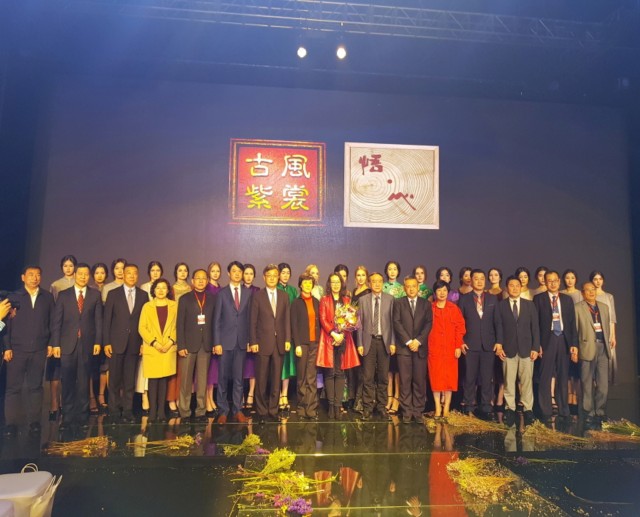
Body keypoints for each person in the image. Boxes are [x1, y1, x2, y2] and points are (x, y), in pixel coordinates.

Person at [3, 266, 55, 436]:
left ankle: (34, 422)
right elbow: (5, 325)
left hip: (39, 349)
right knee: (13, 388)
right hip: (16, 350)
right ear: (23, 277)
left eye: (38, 275)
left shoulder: (47, 297)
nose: (34, 278)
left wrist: (51, 343)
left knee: (35, 387)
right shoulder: (14, 297)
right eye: (31, 275)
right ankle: (11, 424)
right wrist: (7, 347)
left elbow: (52, 322)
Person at [51, 263, 102, 426]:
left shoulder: (95, 295)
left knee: (84, 379)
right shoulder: (64, 295)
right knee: (67, 380)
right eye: (80, 274)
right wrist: (56, 344)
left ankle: (83, 414)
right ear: (75, 275)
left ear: (89, 276)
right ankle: (67, 413)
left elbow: (98, 321)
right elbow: (57, 322)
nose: (83, 277)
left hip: (87, 343)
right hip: (67, 344)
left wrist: (98, 341)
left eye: (86, 274)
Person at [493, 276, 540, 427]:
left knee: (527, 381)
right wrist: (499, 345)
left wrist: (535, 347)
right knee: (509, 381)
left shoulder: (529, 305)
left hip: (527, 349)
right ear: (507, 288)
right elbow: (498, 326)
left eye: (517, 285)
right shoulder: (501, 306)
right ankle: (510, 409)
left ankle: (528, 409)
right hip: (508, 349)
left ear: (521, 287)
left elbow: (535, 328)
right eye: (511, 285)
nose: (514, 288)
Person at [102, 263, 147, 422]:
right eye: (129, 273)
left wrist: (143, 343)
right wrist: (106, 342)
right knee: (114, 380)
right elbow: (107, 320)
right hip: (116, 343)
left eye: (135, 273)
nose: (132, 276)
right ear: (123, 274)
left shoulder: (143, 295)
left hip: (134, 343)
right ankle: (114, 410)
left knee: (129, 380)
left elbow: (144, 321)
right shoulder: (113, 294)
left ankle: (128, 410)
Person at [533, 270, 578, 423]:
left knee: (563, 376)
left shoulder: (567, 299)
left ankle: (564, 409)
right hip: (547, 340)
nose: (552, 283)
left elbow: (572, 324)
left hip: (564, 339)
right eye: (549, 281)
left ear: (559, 281)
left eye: (555, 280)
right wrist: (537, 344)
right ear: (545, 282)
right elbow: (535, 325)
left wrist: (574, 344)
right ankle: (545, 410)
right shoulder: (538, 299)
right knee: (545, 377)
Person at [458, 269, 502, 418]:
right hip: (469, 344)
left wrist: (499, 342)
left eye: (482, 278)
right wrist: (460, 341)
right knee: (469, 376)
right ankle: (468, 404)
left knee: (487, 377)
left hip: (489, 344)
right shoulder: (464, 299)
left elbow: (498, 322)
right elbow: (459, 322)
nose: (479, 281)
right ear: (471, 280)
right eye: (476, 278)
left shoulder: (492, 299)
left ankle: (486, 405)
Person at [250, 264, 291, 423]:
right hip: (262, 343)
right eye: (269, 275)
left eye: (275, 275)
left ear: (278, 277)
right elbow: (253, 321)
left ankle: (273, 410)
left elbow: (286, 320)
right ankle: (261, 411)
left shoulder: (284, 296)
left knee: (276, 379)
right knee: (261, 379)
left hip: (279, 343)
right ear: (264, 277)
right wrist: (253, 341)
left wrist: (287, 339)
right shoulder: (257, 296)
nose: (272, 278)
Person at [213, 261, 252, 424]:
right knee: (222, 378)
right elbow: (216, 319)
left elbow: (250, 319)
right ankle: (223, 410)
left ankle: (238, 410)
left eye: (239, 271)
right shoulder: (222, 293)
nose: (237, 274)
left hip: (241, 342)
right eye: (234, 271)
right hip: (225, 342)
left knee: (238, 378)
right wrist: (217, 342)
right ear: (228, 273)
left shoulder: (248, 293)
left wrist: (250, 340)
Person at [317, 273, 360, 419]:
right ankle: (330, 406)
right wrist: (333, 333)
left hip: (343, 339)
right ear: (329, 284)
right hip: (328, 339)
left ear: (342, 284)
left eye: (338, 282)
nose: (335, 285)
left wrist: (341, 335)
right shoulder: (324, 300)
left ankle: (337, 405)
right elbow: (323, 319)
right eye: (333, 282)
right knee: (330, 373)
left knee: (340, 373)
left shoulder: (347, 300)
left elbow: (351, 321)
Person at [176, 269, 216, 421]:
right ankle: (184, 411)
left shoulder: (212, 298)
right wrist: (181, 345)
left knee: (202, 380)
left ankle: (201, 411)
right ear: (192, 281)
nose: (200, 281)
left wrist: (214, 342)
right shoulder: (185, 298)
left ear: (207, 281)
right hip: (188, 344)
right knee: (186, 380)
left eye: (203, 278)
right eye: (197, 278)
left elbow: (215, 322)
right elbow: (180, 323)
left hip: (206, 344)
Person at [393, 275, 433, 424]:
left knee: (419, 381)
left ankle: (418, 411)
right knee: (405, 381)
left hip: (420, 348)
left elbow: (428, 324)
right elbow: (396, 323)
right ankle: (406, 412)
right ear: (404, 288)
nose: (411, 289)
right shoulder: (398, 303)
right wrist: (409, 341)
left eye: (413, 286)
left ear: (418, 288)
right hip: (404, 348)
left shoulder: (425, 304)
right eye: (408, 286)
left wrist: (418, 341)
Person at [138, 278, 178, 422]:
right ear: (153, 290)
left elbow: (178, 326)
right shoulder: (147, 306)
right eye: (158, 288)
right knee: (153, 380)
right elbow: (142, 327)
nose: (161, 291)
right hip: (152, 348)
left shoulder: (174, 306)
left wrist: (170, 342)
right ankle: (153, 412)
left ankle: (161, 412)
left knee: (163, 380)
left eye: (164, 288)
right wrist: (154, 343)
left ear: (168, 290)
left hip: (168, 347)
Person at [356, 272, 395, 420]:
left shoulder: (390, 299)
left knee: (383, 377)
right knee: (368, 377)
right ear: (369, 283)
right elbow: (359, 324)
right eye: (374, 281)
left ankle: (381, 407)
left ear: (382, 283)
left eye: (379, 281)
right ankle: (367, 407)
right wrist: (360, 343)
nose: (377, 284)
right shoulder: (363, 300)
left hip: (384, 341)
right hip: (369, 342)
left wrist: (392, 342)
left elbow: (393, 323)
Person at [575, 282, 612, 427]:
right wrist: (575, 348)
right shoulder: (578, 308)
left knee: (603, 383)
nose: (591, 292)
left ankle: (600, 411)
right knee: (587, 382)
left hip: (603, 347)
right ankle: (588, 412)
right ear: (582, 293)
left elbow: (606, 328)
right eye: (588, 290)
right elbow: (575, 330)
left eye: (593, 289)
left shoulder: (604, 307)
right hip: (587, 347)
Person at [428, 280, 465, 419]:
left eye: (444, 290)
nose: (442, 293)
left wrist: (458, 345)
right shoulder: (430, 309)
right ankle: (438, 407)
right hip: (434, 348)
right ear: (435, 292)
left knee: (450, 378)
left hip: (450, 348)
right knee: (436, 378)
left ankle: (447, 407)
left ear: (448, 292)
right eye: (439, 290)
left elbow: (460, 328)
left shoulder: (454, 308)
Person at [48, 254, 77, 419]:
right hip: (59, 330)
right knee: (55, 370)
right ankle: (54, 403)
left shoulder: (80, 283)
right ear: (61, 267)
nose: (68, 268)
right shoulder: (56, 285)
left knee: (71, 371)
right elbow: (53, 310)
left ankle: (68, 404)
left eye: (71, 265)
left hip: (74, 331)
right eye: (65, 265)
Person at [290, 273, 320, 419]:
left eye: (310, 283)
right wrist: (297, 344)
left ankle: (311, 408)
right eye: (305, 283)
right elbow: (293, 325)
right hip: (301, 344)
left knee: (311, 377)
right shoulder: (296, 303)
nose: (308, 285)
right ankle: (301, 409)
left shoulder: (316, 302)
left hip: (315, 343)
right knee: (301, 377)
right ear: (300, 285)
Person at [589, 270, 618, 384]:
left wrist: (613, 336)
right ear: (591, 281)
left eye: (600, 279)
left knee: (607, 359)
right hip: (593, 331)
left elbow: (612, 318)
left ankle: (605, 382)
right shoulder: (589, 296)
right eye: (595, 279)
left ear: (603, 281)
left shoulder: (608, 296)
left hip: (607, 331)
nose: (598, 281)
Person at [277, 262, 297, 411]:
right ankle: (277, 394)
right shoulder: (274, 289)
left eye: (287, 273)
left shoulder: (293, 290)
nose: (285, 275)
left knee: (287, 364)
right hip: (277, 332)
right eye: (283, 272)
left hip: (289, 333)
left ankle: (284, 394)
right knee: (277, 364)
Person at [242, 264, 260, 411]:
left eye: (251, 274)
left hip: (254, 333)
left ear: (254, 276)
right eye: (246, 273)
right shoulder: (238, 290)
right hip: (240, 333)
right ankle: (240, 395)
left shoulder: (258, 291)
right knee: (241, 367)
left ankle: (251, 394)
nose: (248, 276)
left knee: (253, 367)